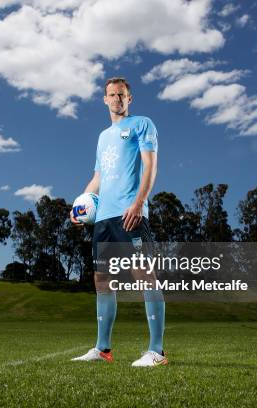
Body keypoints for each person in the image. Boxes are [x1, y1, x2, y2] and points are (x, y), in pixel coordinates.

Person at [70, 77, 167, 367]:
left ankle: (157, 351)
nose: (116, 99)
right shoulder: (102, 137)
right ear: (104, 99)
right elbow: (98, 178)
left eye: (121, 95)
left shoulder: (142, 125)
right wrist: (79, 204)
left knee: (144, 277)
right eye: (111, 95)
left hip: (130, 215)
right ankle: (103, 349)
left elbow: (151, 166)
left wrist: (138, 203)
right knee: (102, 281)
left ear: (130, 98)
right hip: (103, 220)